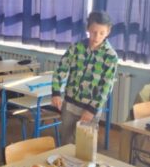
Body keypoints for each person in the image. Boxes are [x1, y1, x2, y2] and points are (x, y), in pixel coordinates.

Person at [51, 11, 119, 146]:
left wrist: (92, 110)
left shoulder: (110, 56)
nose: (97, 37)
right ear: (88, 29)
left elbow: (106, 87)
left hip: (90, 109)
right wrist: (56, 92)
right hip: (69, 106)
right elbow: (60, 69)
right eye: (94, 32)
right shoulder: (76, 48)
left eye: (102, 33)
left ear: (108, 32)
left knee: (85, 146)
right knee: (66, 143)